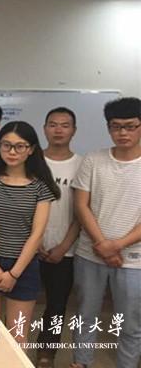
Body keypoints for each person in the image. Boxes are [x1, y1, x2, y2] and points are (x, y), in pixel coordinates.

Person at [0, 121, 59, 347]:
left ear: (31, 149)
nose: (12, 152)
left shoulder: (41, 186)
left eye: (20, 146)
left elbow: (37, 234)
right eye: (6, 145)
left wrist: (13, 274)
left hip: (23, 266)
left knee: (17, 337)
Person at [70, 97, 141, 368]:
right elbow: (81, 205)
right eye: (116, 126)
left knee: (130, 322)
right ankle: (81, 362)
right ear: (108, 128)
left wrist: (117, 245)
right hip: (90, 254)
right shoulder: (94, 159)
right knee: (85, 315)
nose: (123, 133)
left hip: (134, 259)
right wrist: (103, 244)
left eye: (130, 126)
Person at [35, 107, 82, 368]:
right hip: (30, 247)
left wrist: (63, 246)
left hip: (67, 249)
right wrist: (35, 243)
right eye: (53, 124)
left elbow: (82, 212)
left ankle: (46, 353)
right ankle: (12, 348)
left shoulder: (82, 164)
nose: (58, 130)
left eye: (65, 125)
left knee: (56, 305)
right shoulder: (32, 162)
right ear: (44, 129)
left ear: (74, 130)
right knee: (20, 302)